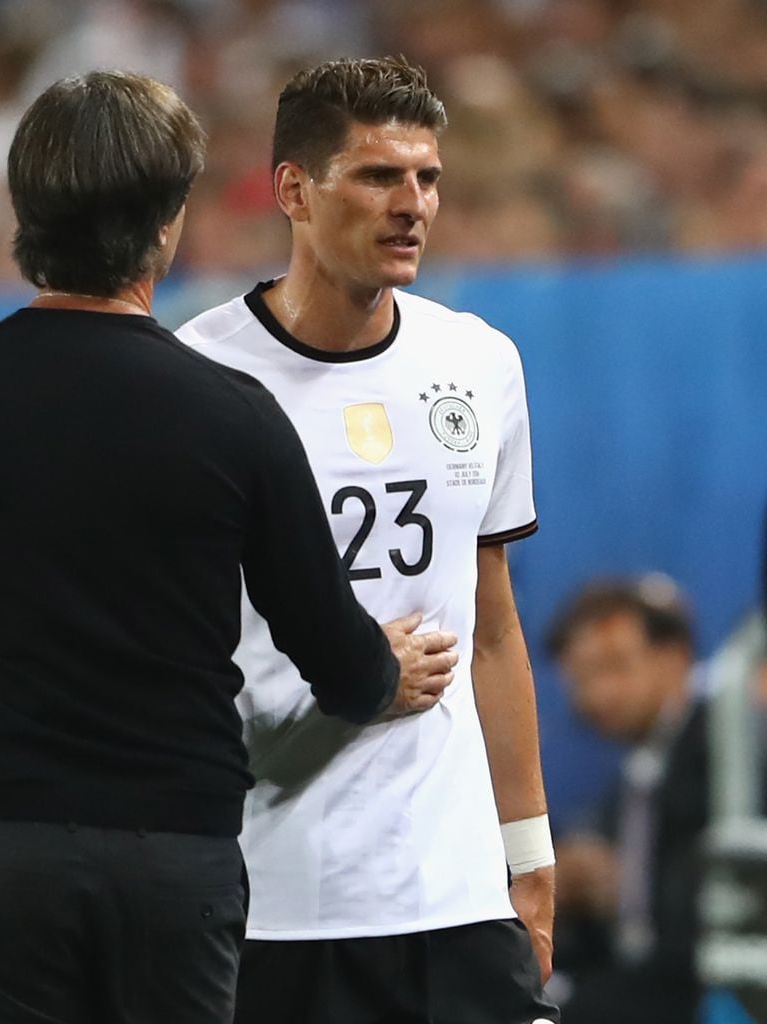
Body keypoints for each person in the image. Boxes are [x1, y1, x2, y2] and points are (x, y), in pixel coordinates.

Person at [0, 71, 455, 1024]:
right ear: (167, 224)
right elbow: (343, 669)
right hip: (169, 865)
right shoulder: (231, 414)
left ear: (26, 213)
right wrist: (384, 669)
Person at [177, 56, 558, 1024]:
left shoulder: (477, 360)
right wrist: (346, 679)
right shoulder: (194, 377)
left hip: (456, 895)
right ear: (294, 191)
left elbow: (494, 629)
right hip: (267, 891)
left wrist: (527, 854)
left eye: (427, 178)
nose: (412, 205)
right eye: (379, 176)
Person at [546, 575, 709, 1024]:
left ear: (676, 657)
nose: (598, 695)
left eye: (615, 667)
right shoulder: (634, 776)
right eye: (580, 678)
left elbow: (684, 952)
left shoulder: (720, 753)